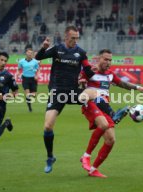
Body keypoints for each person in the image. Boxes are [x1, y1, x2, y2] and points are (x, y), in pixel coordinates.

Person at [35, 26, 96, 173]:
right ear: (66, 37)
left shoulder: (81, 53)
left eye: (77, 38)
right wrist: (43, 48)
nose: (75, 40)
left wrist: (94, 71)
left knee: (94, 93)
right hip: (57, 92)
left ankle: (108, 117)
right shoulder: (57, 49)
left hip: (73, 91)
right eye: (73, 38)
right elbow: (38, 57)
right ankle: (50, 157)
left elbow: (88, 71)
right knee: (48, 126)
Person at [80, 49, 143, 178]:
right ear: (98, 59)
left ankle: (93, 169)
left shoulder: (110, 75)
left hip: (104, 107)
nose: (108, 62)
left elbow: (122, 83)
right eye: (105, 59)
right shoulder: (90, 71)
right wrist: (82, 82)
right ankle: (86, 156)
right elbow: (79, 85)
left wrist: (139, 88)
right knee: (104, 124)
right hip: (90, 103)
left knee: (111, 140)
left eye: (110, 60)